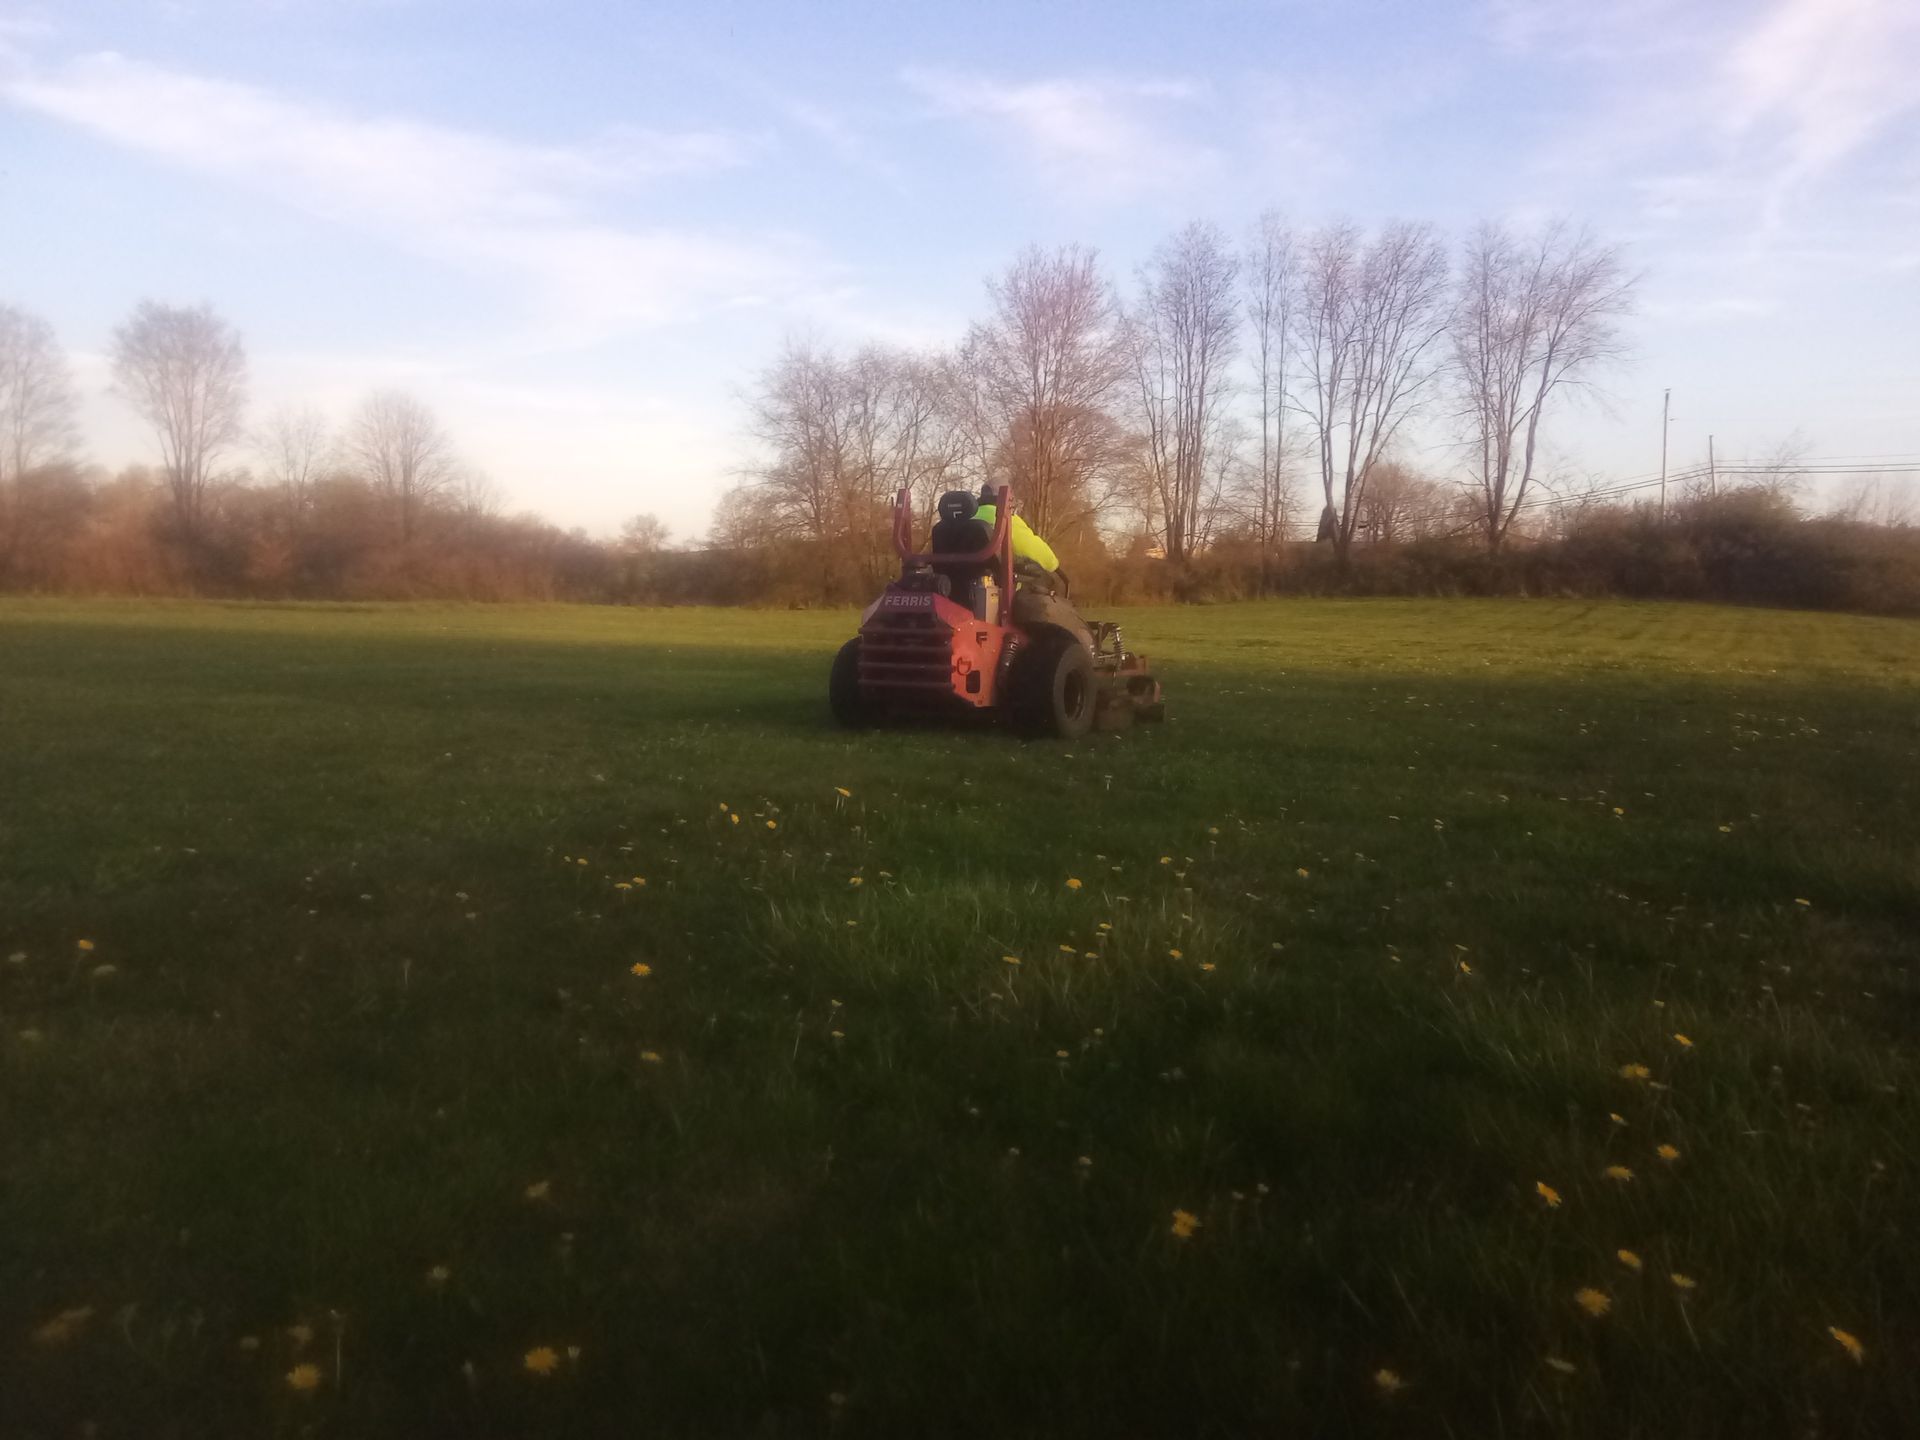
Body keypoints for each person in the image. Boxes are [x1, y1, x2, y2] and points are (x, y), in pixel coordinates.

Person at [973, 484, 1091, 647]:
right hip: (999, 584)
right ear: (1004, 499)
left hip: (966, 585)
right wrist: (1054, 565)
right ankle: (1041, 636)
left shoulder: (965, 518)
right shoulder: (1003, 517)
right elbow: (1031, 547)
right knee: (1045, 578)